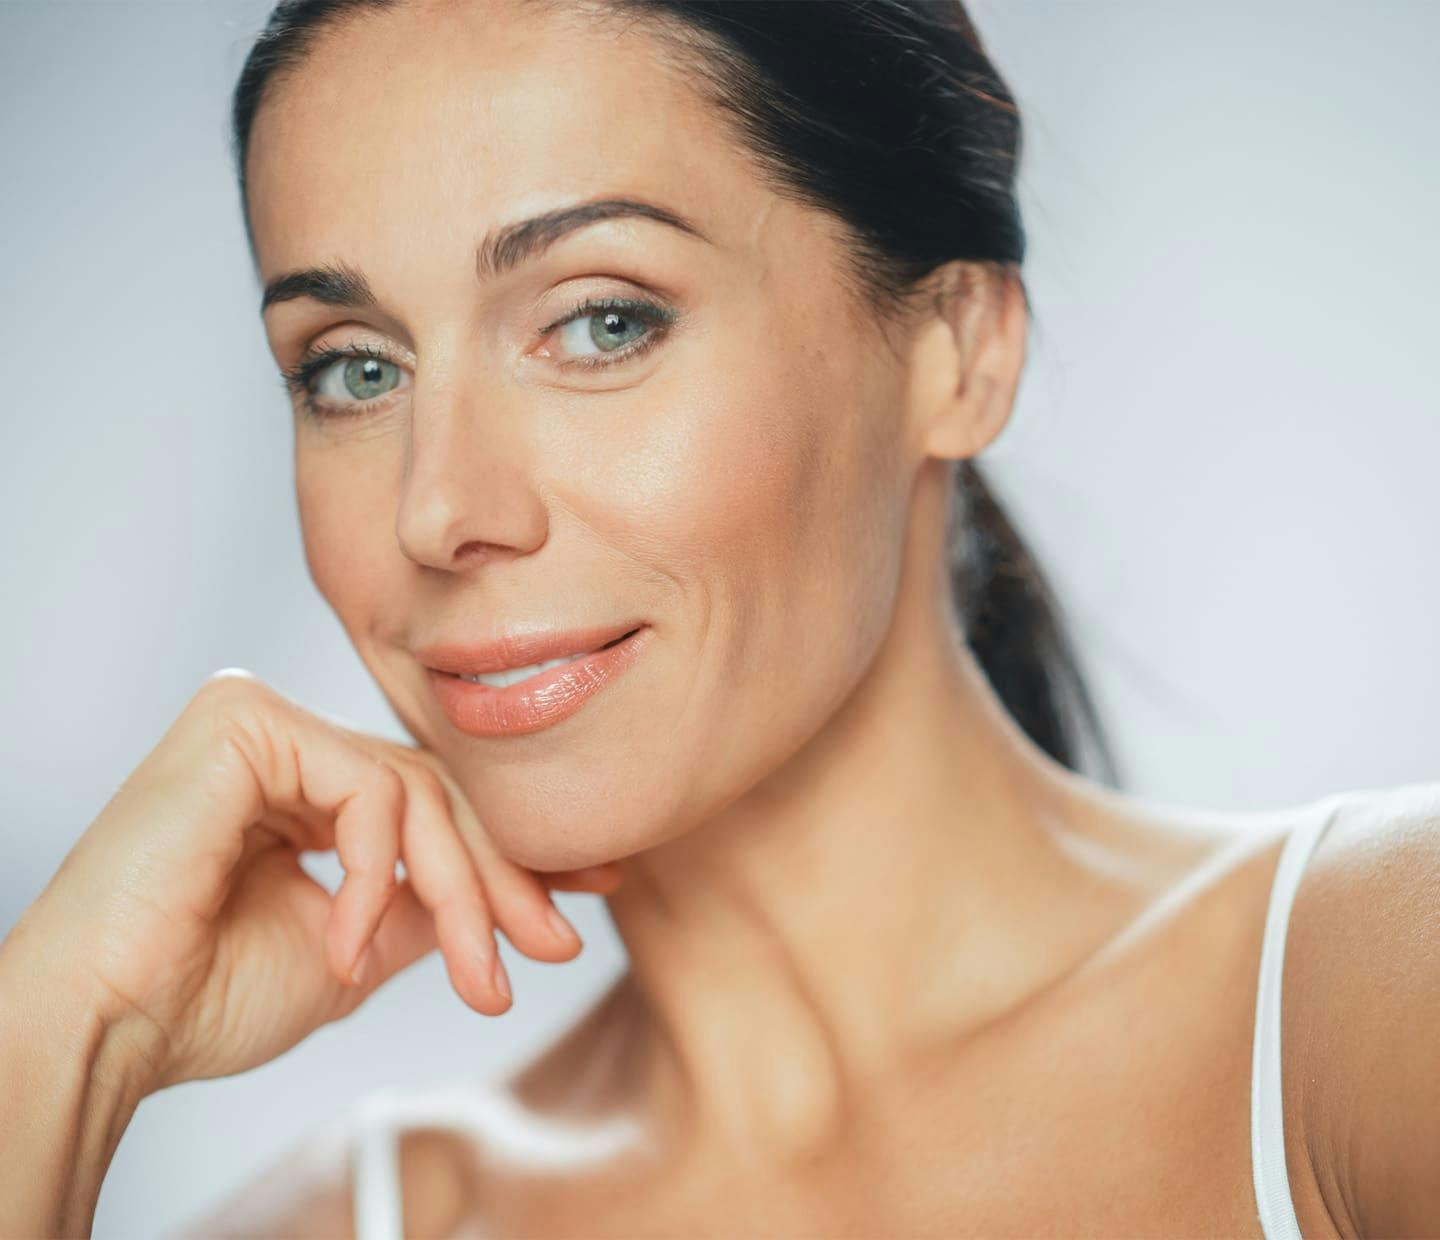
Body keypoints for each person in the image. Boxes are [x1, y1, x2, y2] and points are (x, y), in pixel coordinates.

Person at [1, 0, 1435, 1236]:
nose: (441, 509)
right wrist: (67, 1032)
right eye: (355, 372)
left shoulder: (1370, 997)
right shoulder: (364, 1224)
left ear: (958, 347)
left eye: (604, 320)